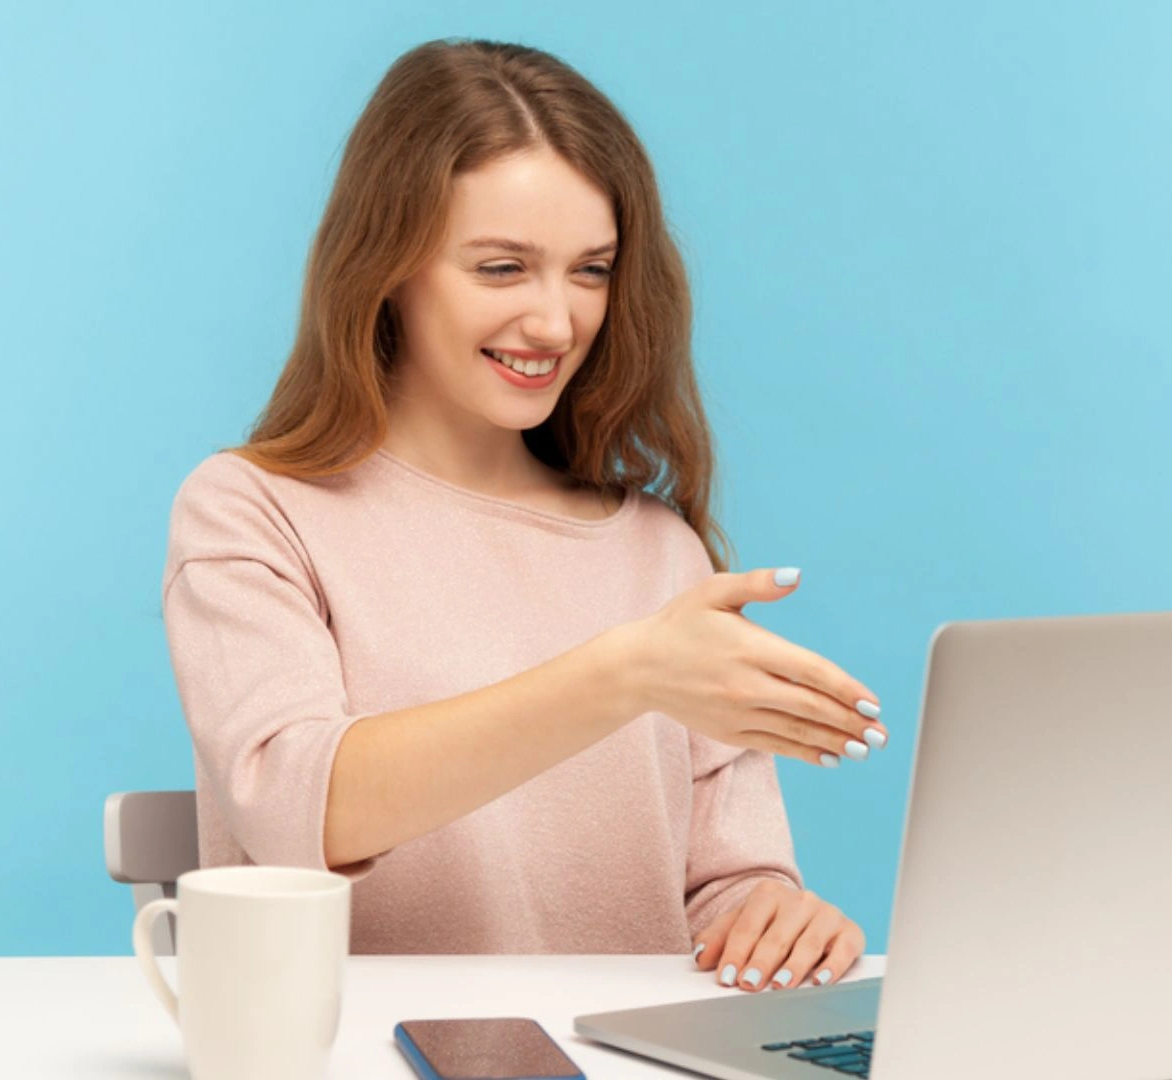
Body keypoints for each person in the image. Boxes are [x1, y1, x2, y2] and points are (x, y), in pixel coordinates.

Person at [159, 38, 888, 994]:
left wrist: (772, 917)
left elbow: (726, 886)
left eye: (591, 270)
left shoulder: (658, 553)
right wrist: (621, 674)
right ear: (388, 269)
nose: (556, 322)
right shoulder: (254, 512)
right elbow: (302, 807)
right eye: (503, 268)